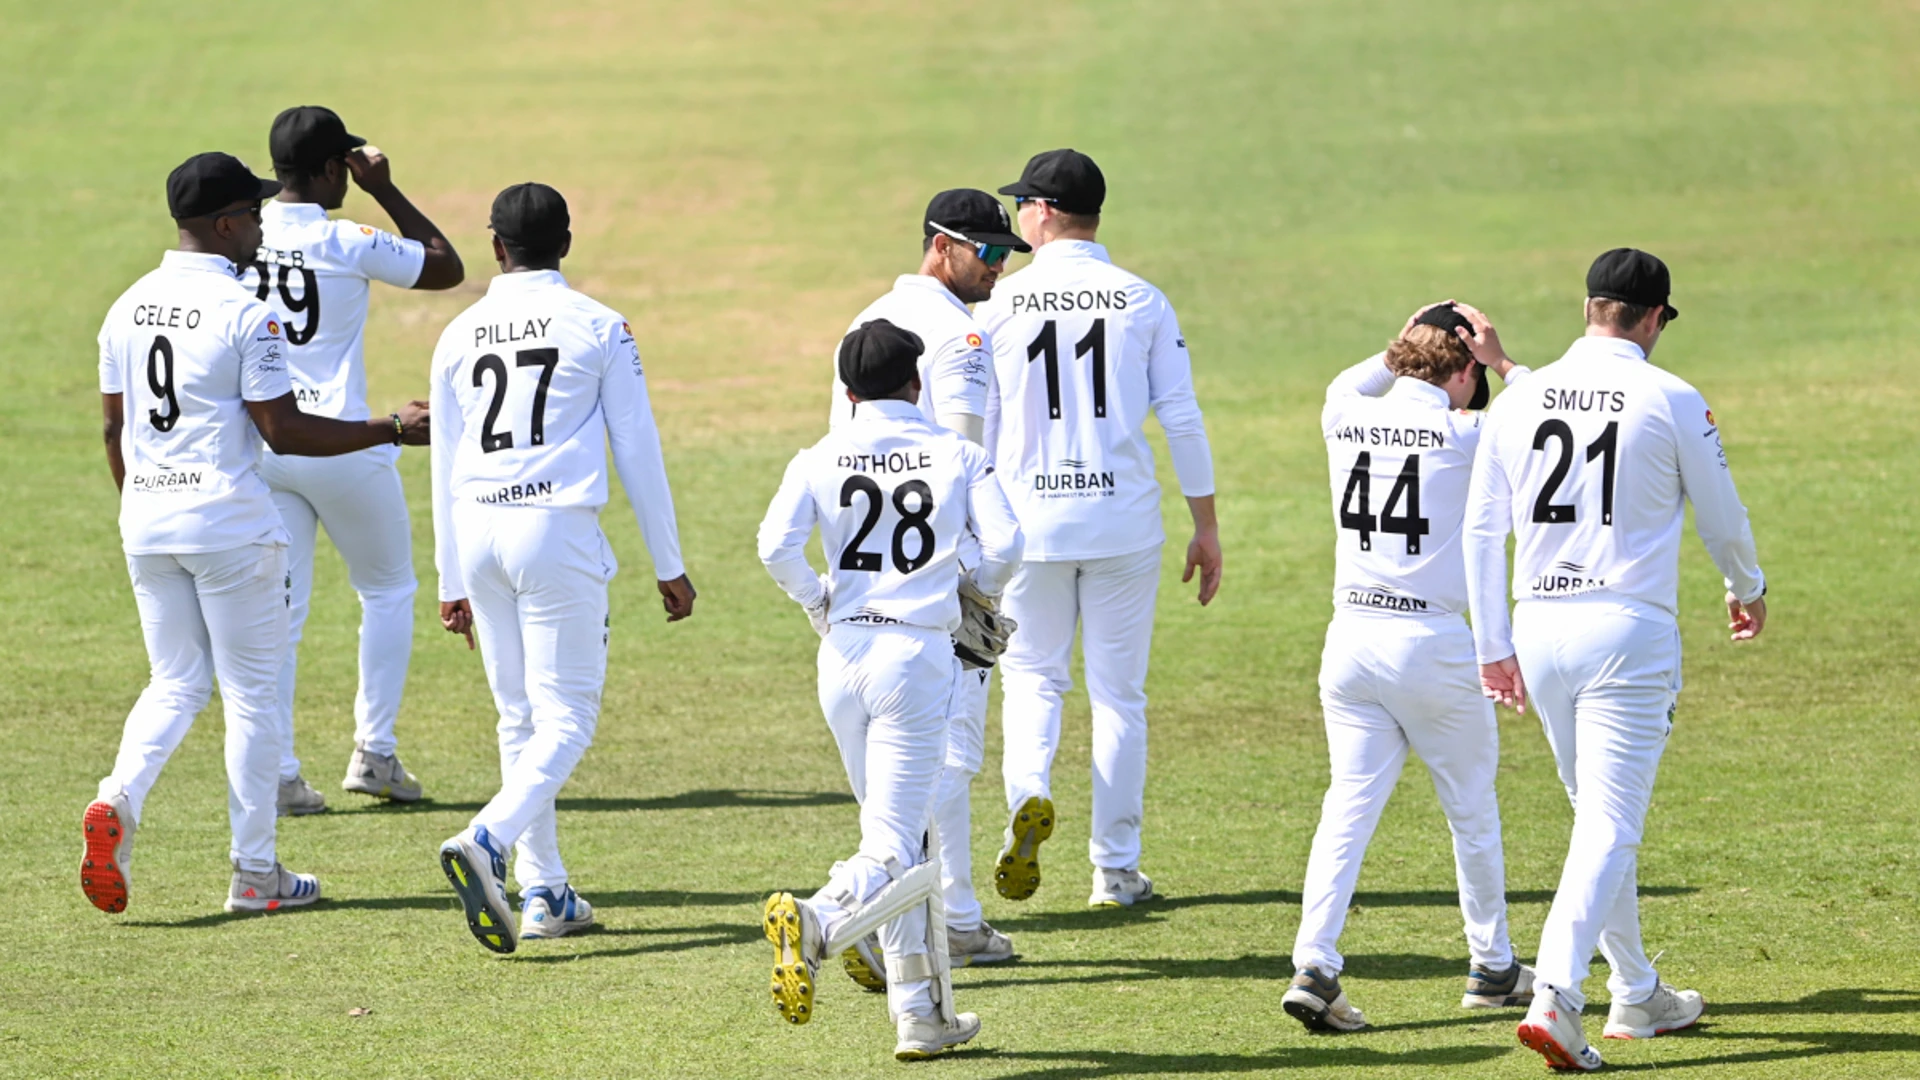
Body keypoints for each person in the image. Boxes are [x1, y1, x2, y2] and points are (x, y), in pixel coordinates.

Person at [83, 152, 428, 916]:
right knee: (250, 697)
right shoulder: (246, 312)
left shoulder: (126, 305)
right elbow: (286, 432)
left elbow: (113, 427)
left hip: (146, 524)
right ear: (226, 223)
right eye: (255, 213)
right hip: (231, 527)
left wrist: (142, 502)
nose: (265, 225)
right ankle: (255, 873)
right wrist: (391, 430)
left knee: (173, 683)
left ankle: (118, 797)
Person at [1466, 249, 1768, 1071]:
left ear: (1591, 306)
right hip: (1626, 633)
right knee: (1607, 824)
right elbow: (1721, 513)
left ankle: (1637, 990)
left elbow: (1481, 530)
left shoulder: (1520, 397)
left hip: (1538, 626)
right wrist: (1749, 585)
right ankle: (1559, 995)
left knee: (1594, 823)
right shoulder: (1671, 397)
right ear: (1654, 317)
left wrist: (1492, 645)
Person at [430, 183, 694, 952]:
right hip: (555, 530)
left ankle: (544, 890)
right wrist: (668, 564)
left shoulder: (458, 332)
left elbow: (445, 460)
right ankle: (490, 839)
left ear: (495, 248)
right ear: (567, 244)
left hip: (478, 529)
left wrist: (451, 579)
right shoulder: (601, 325)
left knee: (520, 716)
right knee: (568, 717)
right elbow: (636, 447)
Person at [757, 319, 1023, 1059]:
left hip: (842, 655)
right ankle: (817, 919)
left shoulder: (817, 454)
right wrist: (976, 591)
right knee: (897, 841)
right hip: (916, 657)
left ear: (846, 392)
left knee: (906, 836)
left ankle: (921, 1013)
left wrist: (817, 600)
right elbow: (1008, 545)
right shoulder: (957, 452)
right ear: (916, 383)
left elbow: (772, 546)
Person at [974, 149, 1221, 908]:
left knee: (1031, 679)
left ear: (1044, 212)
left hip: (1028, 526)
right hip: (1122, 521)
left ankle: (1028, 794)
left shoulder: (999, 306)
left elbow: (979, 430)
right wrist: (1205, 525)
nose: (1018, 216)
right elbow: (1180, 414)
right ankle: (1115, 870)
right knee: (1119, 696)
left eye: (1022, 205)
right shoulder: (1142, 299)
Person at [1282, 301, 1534, 1033]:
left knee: (1347, 807)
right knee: (1471, 809)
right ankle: (1491, 965)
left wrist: (1412, 338)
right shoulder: (1468, 430)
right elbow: (1543, 403)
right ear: (1461, 370)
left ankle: (1315, 963)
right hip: (1431, 646)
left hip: (1351, 642)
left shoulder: (1343, 410)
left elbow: (1355, 379)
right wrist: (1500, 360)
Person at [829, 189, 1030, 986]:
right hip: (940, 586)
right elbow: (965, 463)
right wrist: (975, 586)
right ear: (941, 246)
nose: (999, 264)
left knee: (909, 758)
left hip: (862, 577)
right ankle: (869, 906)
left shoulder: (865, 321)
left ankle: (953, 914)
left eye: (1005, 250)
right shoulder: (963, 337)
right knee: (945, 756)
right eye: (987, 251)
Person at [255, 105, 465, 815]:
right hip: (347, 441)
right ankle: (374, 752)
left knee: (282, 615)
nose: (350, 169)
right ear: (322, 170)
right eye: (342, 162)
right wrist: (384, 189)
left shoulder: (239, 233)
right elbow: (445, 266)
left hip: (268, 443)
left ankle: (279, 772)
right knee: (386, 591)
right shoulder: (347, 239)